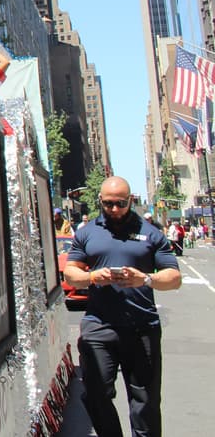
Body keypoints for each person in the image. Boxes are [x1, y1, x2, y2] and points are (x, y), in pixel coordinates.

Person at [63, 176, 181, 437]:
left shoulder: (151, 233)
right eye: (108, 204)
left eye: (120, 203)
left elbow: (174, 278)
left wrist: (145, 279)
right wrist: (94, 276)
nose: (114, 209)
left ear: (131, 200)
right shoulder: (86, 233)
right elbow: (71, 274)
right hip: (99, 326)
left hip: (141, 327)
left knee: (146, 403)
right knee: (95, 393)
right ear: (100, 202)